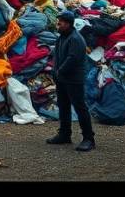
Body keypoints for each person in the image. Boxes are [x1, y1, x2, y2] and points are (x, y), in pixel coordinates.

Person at [46, 10, 96, 151]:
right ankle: (64, 134)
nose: (58, 24)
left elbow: (72, 59)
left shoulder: (76, 39)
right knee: (64, 106)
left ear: (67, 24)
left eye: (60, 22)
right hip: (62, 78)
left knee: (80, 108)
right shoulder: (62, 37)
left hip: (73, 79)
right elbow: (58, 55)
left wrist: (59, 71)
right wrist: (56, 71)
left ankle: (88, 138)